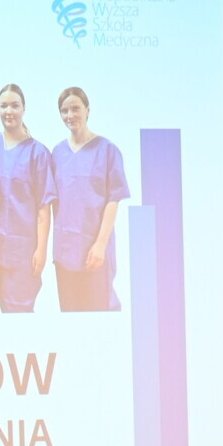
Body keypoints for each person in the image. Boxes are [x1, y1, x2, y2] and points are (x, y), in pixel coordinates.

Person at [49, 86, 130, 312]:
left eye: (75, 109)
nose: (70, 115)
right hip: (65, 252)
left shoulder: (107, 150)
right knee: (70, 318)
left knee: (98, 314)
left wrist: (100, 244)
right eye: (64, 111)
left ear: (87, 110)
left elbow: (114, 200)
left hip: (95, 249)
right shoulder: (57, 153)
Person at [0, 83, 56, 313]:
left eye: (14, 105)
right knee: (3, 311)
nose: (9, 111)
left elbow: (44, 207)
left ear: (23, 108)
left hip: (24, 251)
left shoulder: (38, 153)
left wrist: (41, 250)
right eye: (4, 106)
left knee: (20, 314)